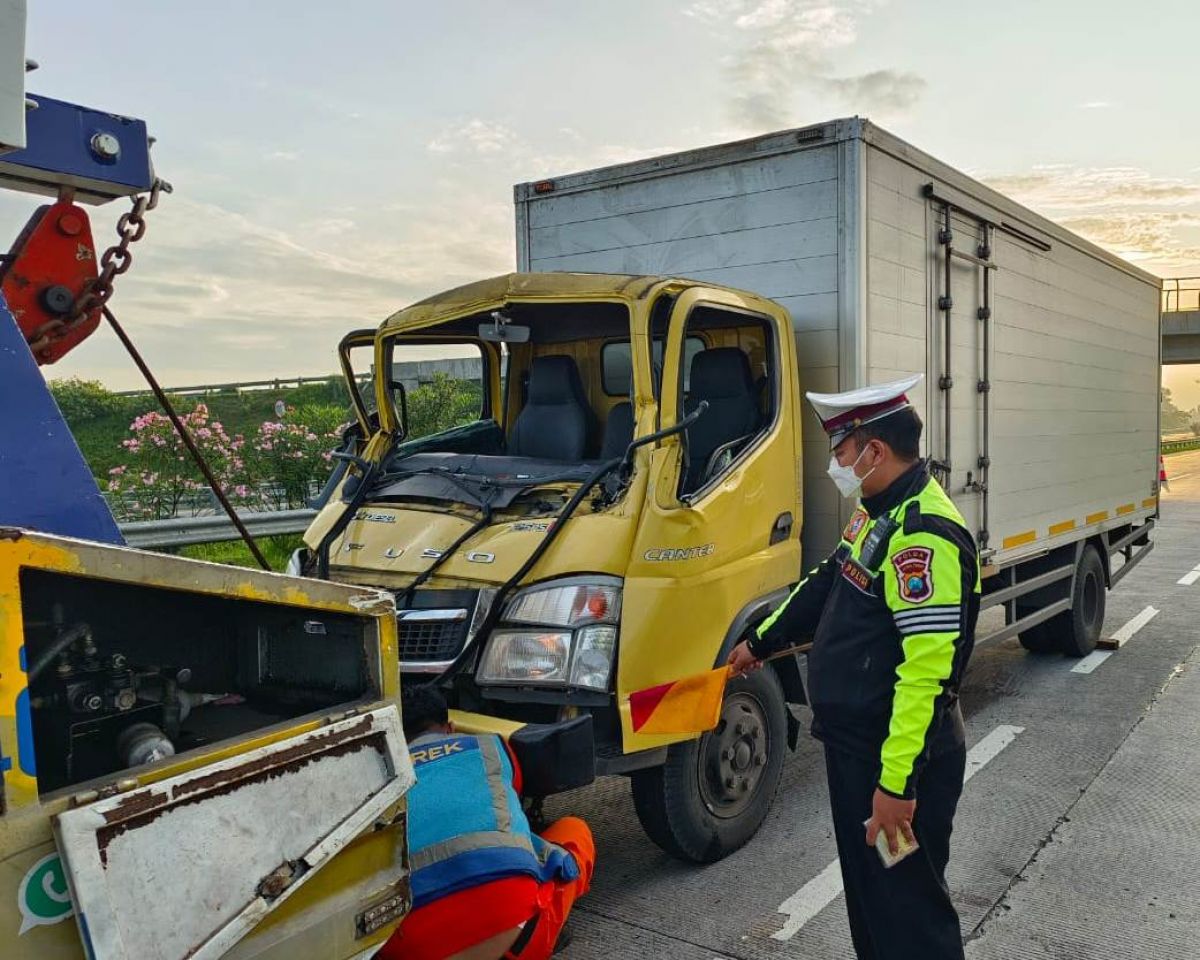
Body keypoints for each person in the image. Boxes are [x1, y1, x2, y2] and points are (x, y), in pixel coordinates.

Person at [729, 374, 980, 960]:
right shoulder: (878, 514)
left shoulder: (923, 535)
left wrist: (896, 786)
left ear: (875, 451)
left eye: (841, 452)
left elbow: (928, 676)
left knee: (910, 915)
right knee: (872, 905)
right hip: (858, 751)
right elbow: (828, 580)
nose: (836, 466)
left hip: (896, 759)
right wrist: (761, 640)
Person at [378, 685, 595, 960]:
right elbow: (512, 803)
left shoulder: (380, 777)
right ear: (450, 728)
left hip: (407, 947)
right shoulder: (491, 747)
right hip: (516, 939)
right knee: (574, 831)